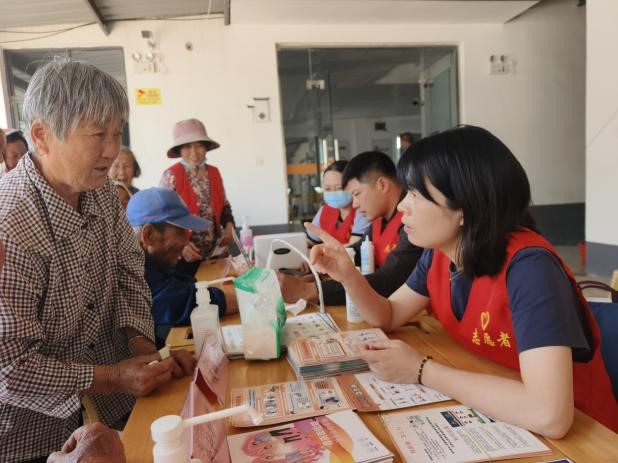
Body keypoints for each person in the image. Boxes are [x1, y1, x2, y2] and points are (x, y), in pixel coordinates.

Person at [305, 125, 618, 436]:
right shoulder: (439, 254)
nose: (402, 206)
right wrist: (348, 276)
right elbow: (388, 314)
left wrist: (421, 370)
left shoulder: (530, 268)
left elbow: (549, 415)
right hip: (501, 412)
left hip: (586, 435)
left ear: (465, 206)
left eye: (415, 194)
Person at [0, 58, 194, 462]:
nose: (111, 150)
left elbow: (129, 272)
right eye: (97, 134)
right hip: (30, 435)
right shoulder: (11, 223)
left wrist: (143, 349)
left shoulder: (103, 193)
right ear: (42, 135)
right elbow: (11, 369)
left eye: (118, 133)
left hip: (112, 408)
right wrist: (112, 377)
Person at [279, 151, 423, 306]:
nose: (354, 204)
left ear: (382, 185)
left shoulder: (412, 223)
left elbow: (387, 281)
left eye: (357, 194)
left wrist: (308, 290)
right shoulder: (379, 220)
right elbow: (357, 251)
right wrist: (324, 260)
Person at [127, 187, 238, 348]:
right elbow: (176, 303)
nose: (186, 242)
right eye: (180, 233)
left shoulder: (149, 259)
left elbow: (181, 284)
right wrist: (248, 300)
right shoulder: (130, 267)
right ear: (149, 235)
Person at [161, 118, 236, 275]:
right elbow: (164, 217)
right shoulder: (171, 175)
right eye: (187, 146)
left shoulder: (214, 172)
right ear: (179, 150)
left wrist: (229, 227)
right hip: (185, 256)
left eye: (199, 145)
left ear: (206, 147)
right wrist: (179, 245)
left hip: (215, 253)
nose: (194, 152)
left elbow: (224, 205)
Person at [307, 160, 370, 246]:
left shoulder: (363, 210)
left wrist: (323, 249)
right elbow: (309, 241)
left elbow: (353, 246)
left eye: (339, 188)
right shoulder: (325, 211)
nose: (333, 193)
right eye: (328, 189)